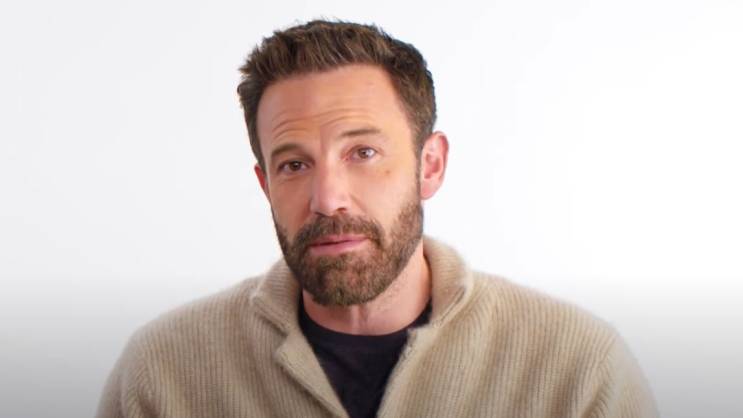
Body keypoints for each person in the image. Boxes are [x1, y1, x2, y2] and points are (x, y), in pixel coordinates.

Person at [96, 19, 658, 418]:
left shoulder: (579, 371)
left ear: (429, 165)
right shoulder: (162, 374)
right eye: (294, 165)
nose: (327, 198)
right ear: (266, 185)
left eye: (363, 153)